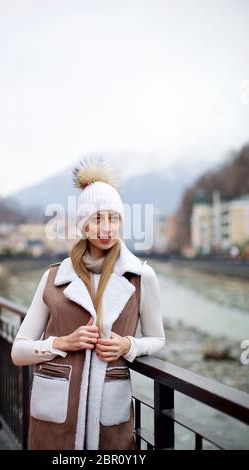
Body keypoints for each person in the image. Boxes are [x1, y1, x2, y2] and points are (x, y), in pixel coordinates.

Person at [11, 157, 166, 450]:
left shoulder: (141, 276)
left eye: (114, 218)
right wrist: (61, 343)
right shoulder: (53, 277)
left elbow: (157, 338)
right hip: (54, 419)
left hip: (110, 416)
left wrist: (129, 346)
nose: (107, 228)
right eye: (97, 219)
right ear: (84, 224)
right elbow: (18, 352)